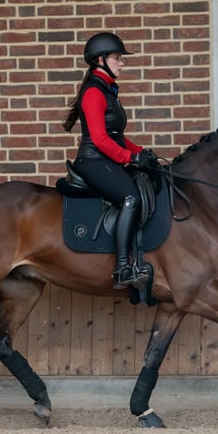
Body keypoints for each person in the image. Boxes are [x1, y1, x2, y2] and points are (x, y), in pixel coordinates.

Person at [62, 32, 158, 289]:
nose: (122, 63)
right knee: (130, 197)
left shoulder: (107, 91)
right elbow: (101, 139)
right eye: (118, 58)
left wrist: (141, 152)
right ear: (100, 60)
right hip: (93, 161)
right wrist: (130, 158)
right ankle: (123, 268)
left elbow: (117, 136)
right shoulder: (94, 92)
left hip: (105, 159)